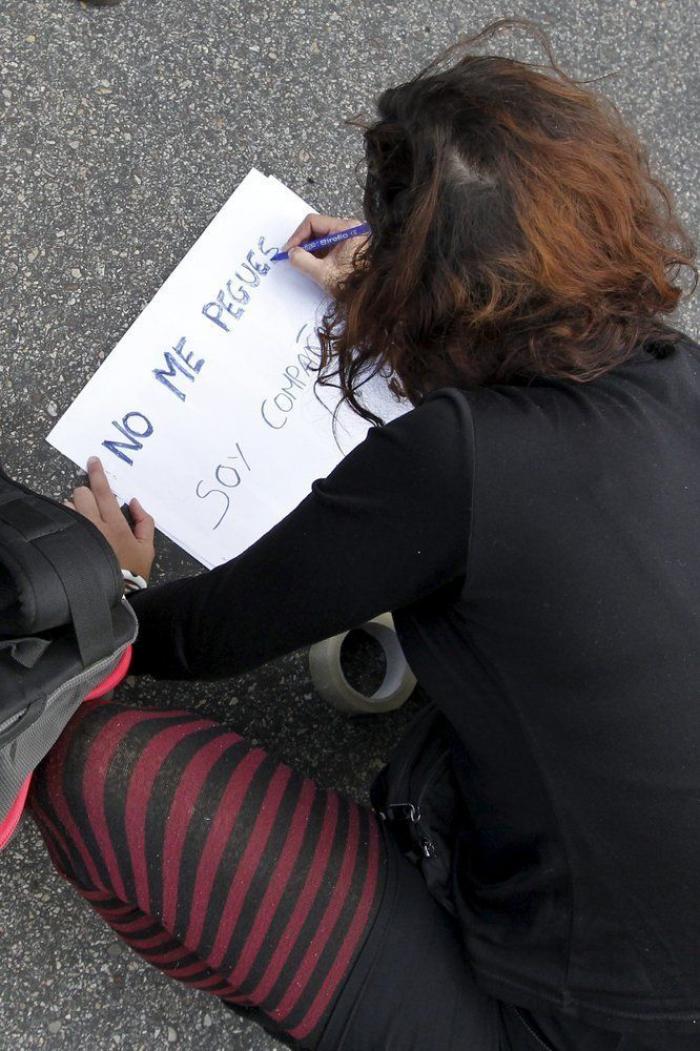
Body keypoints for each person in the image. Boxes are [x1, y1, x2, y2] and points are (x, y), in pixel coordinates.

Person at [29, 19, 699, 1051]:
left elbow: (207, 635)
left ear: (424, 291)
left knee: (100, 778)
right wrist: (407, 305)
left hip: (565, 1025)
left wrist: (112, 586)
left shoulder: (456, 460)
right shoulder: (675, 370)